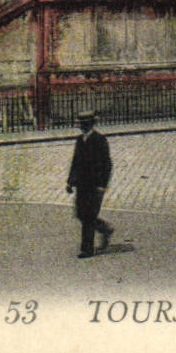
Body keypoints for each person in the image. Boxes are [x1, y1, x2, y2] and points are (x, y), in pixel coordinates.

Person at [66, 110, 114, 259]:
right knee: (81, 214)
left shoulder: (100, 140)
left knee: (88, 216)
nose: (82, 127)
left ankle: (87, 249)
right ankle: (105, 229)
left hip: (95, 185)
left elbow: (107, 164)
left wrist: (102, 185)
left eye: (85, 124)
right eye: (81, 124)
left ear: (91, 124)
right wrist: (70, 182)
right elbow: (75, 162)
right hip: (81, 184)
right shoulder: (80, 140)